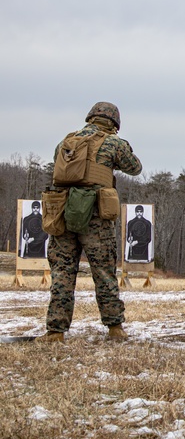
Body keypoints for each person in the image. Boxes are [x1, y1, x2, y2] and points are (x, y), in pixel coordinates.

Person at [37, 102, 142, 342]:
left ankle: (55, 331)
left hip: (63, 212)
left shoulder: (67, 142)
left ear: (90, 117)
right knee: (104, 272)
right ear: (114, 123)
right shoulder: (114, 143)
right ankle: (115, 328)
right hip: (96, 216)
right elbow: (135, 168)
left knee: (62, 273)